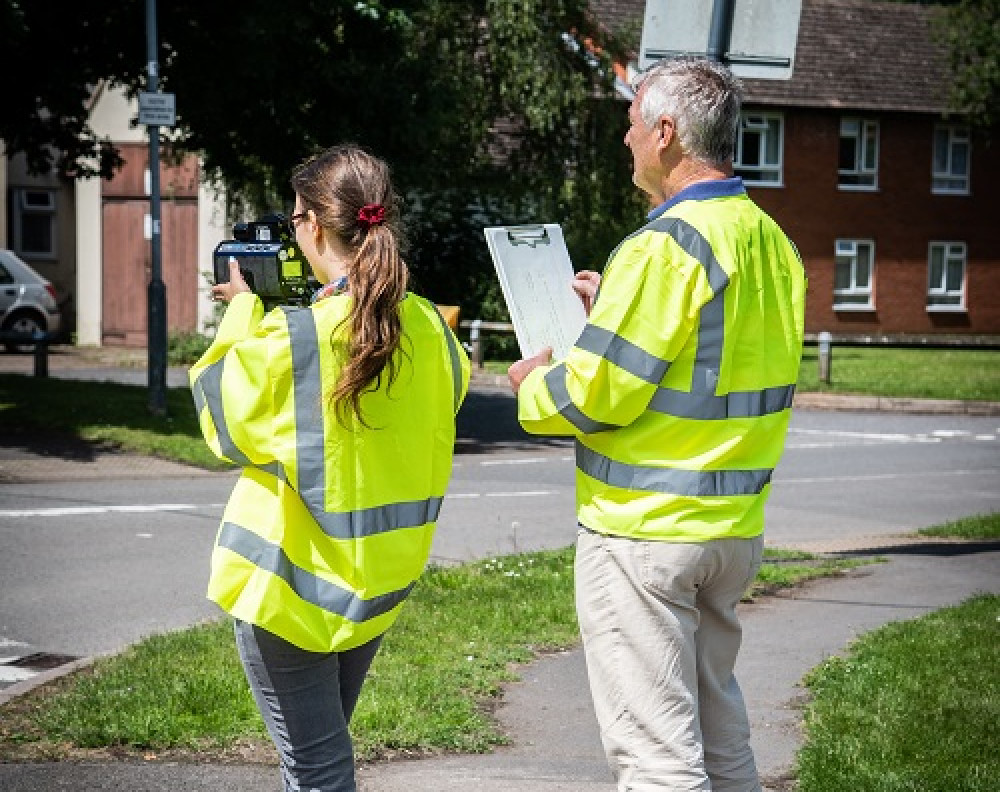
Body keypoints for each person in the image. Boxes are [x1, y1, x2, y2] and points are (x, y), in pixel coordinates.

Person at [508, 57, 805, 791]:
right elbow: (711, 353)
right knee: (720, 738)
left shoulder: (663, 247)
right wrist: (614, 308)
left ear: (666, 132)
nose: (626, 137)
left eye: (634, 121)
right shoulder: (771, 239)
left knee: (657, 760)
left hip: (646, 534)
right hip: (730, 528)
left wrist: (530, 385)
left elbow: (595, 398)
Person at [189, 144, 470, 792]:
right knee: (320, 759)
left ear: (314, 226)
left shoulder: (295, 336)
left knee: (317, 771)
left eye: (293, 220)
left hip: (287, 594)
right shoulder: (431, 326)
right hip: (373, 592)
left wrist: (242, 306)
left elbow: (218, 418)